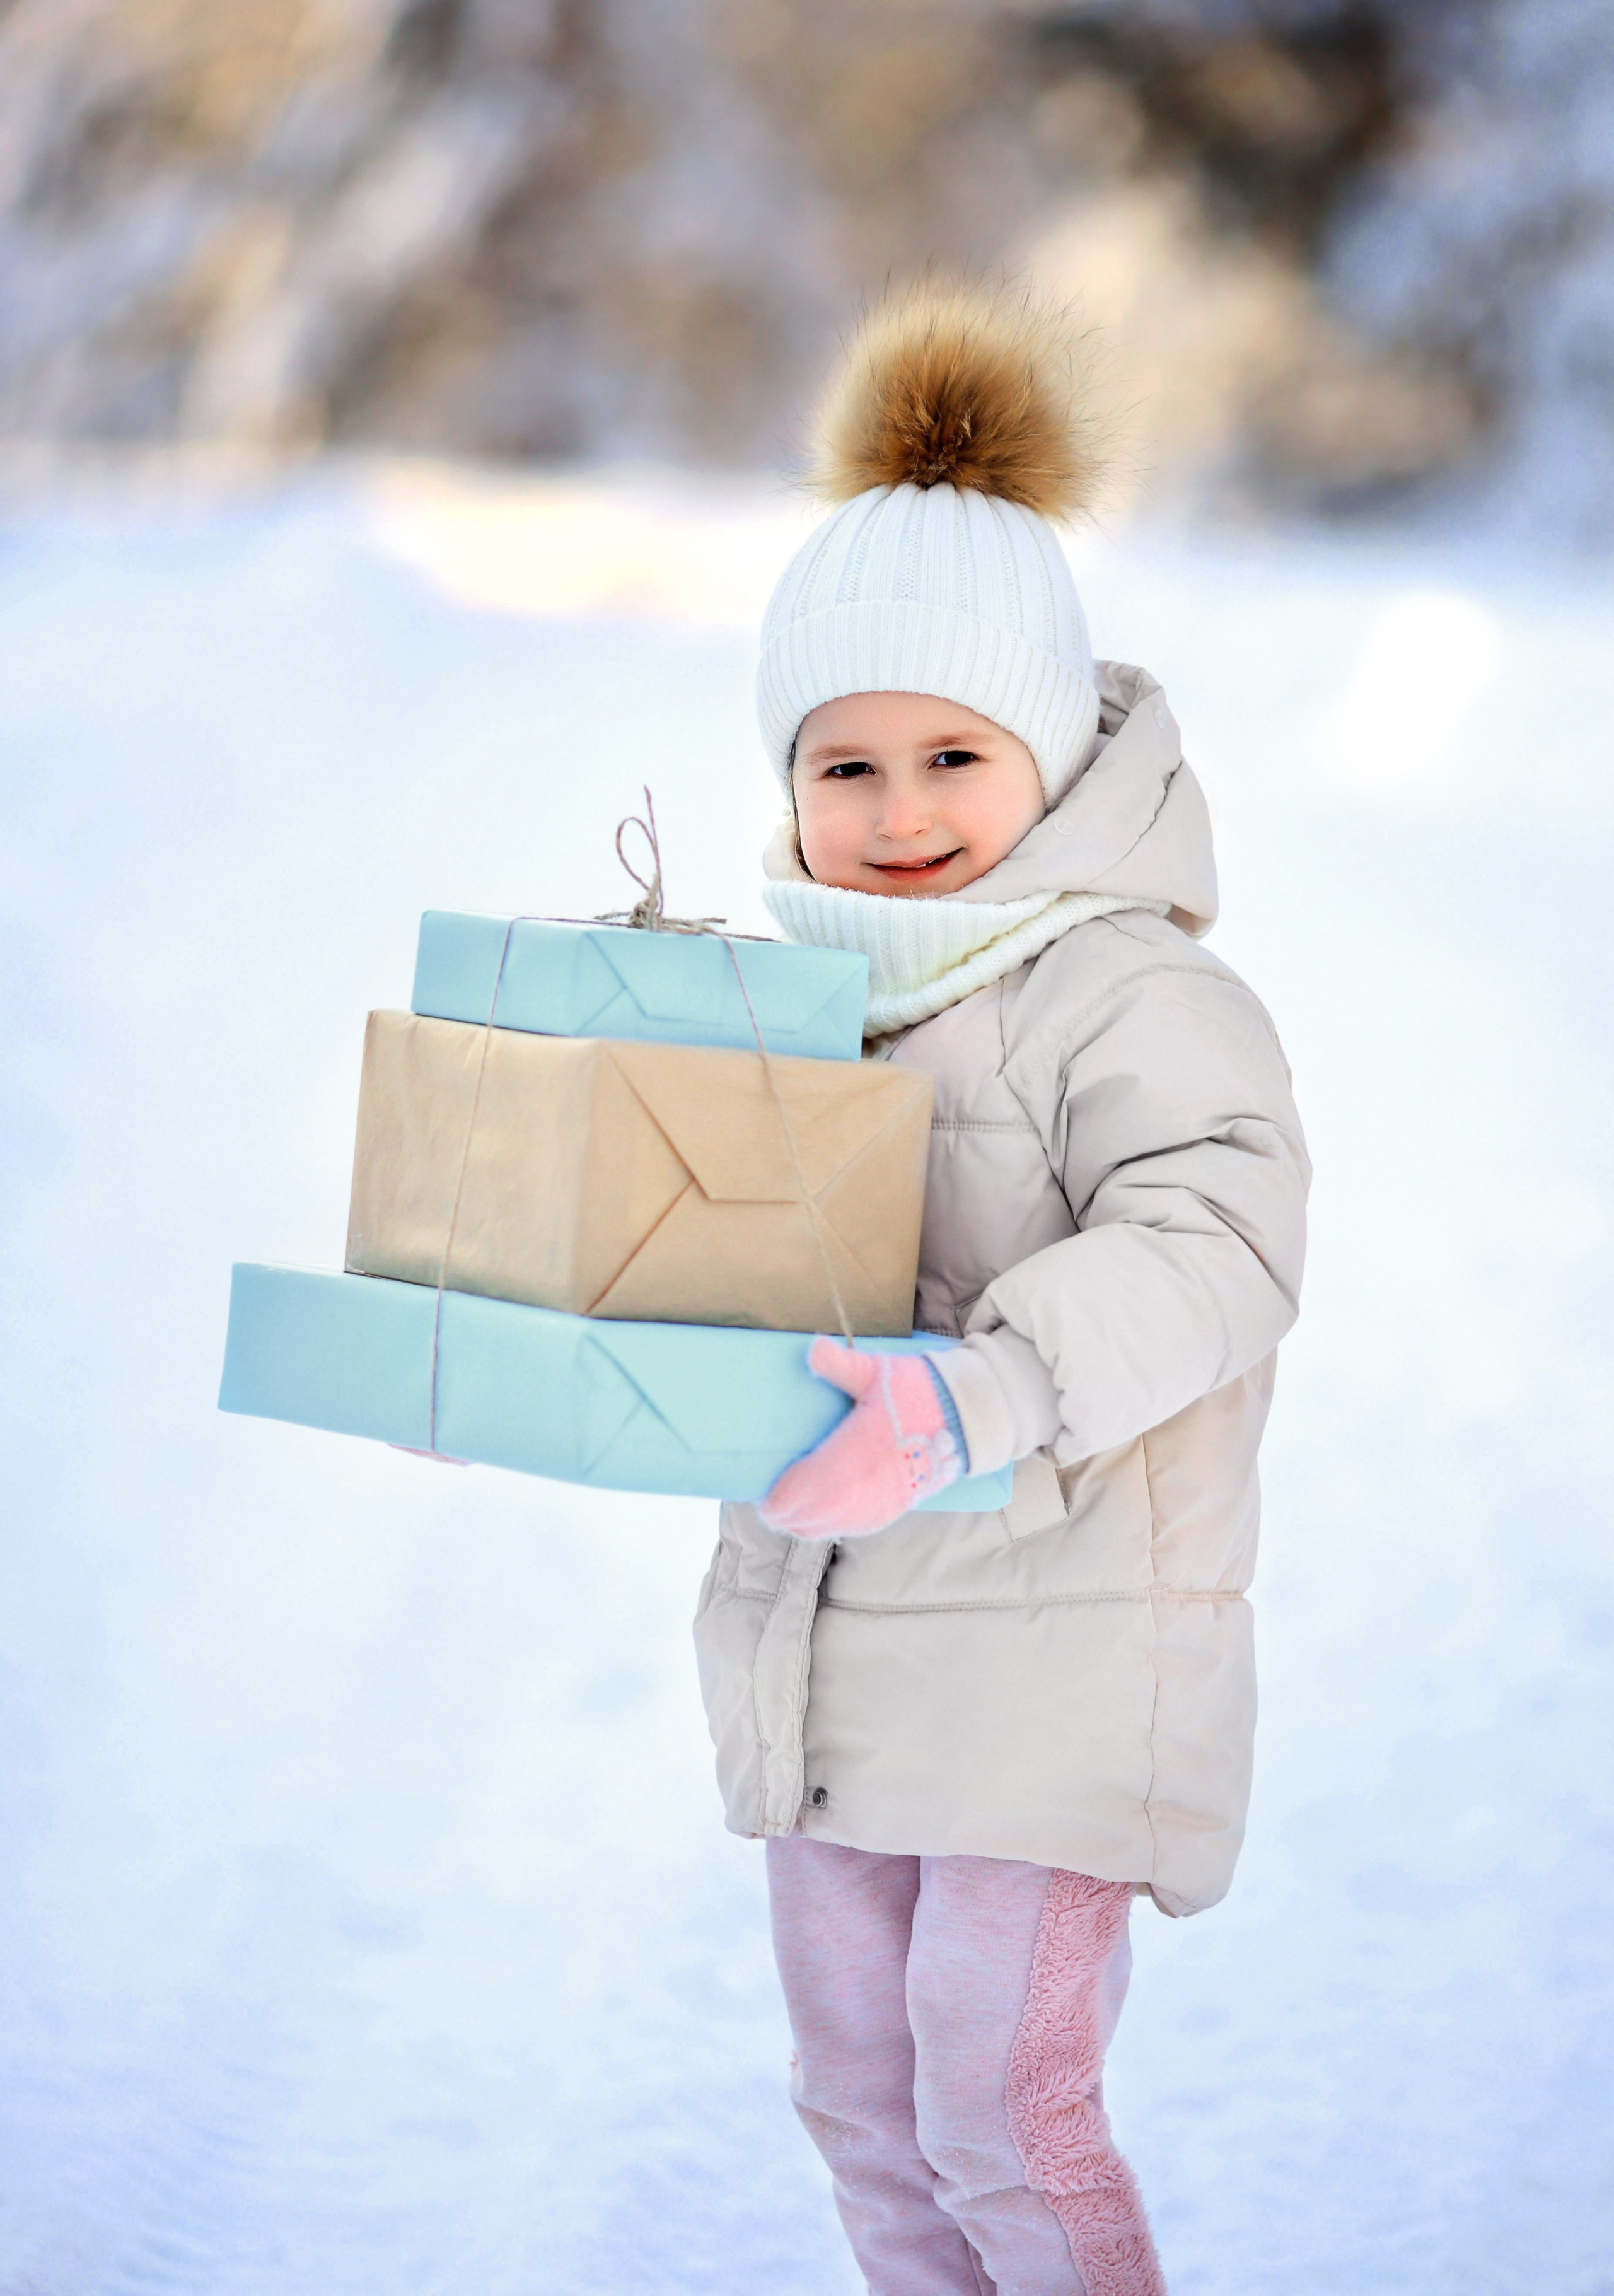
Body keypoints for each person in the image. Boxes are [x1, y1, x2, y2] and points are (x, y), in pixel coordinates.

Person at [690, 279, 1311, 2296]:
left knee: (995, 2099)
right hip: (841, 1653)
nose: (897, 814)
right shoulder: (792, 1006)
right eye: (844, 765)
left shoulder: (1127, 990)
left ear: (1046, 754)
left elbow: (1221, 1236)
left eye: (953, 754)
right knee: (865, 2107)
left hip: (1058, 1658)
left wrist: (987, 1387)